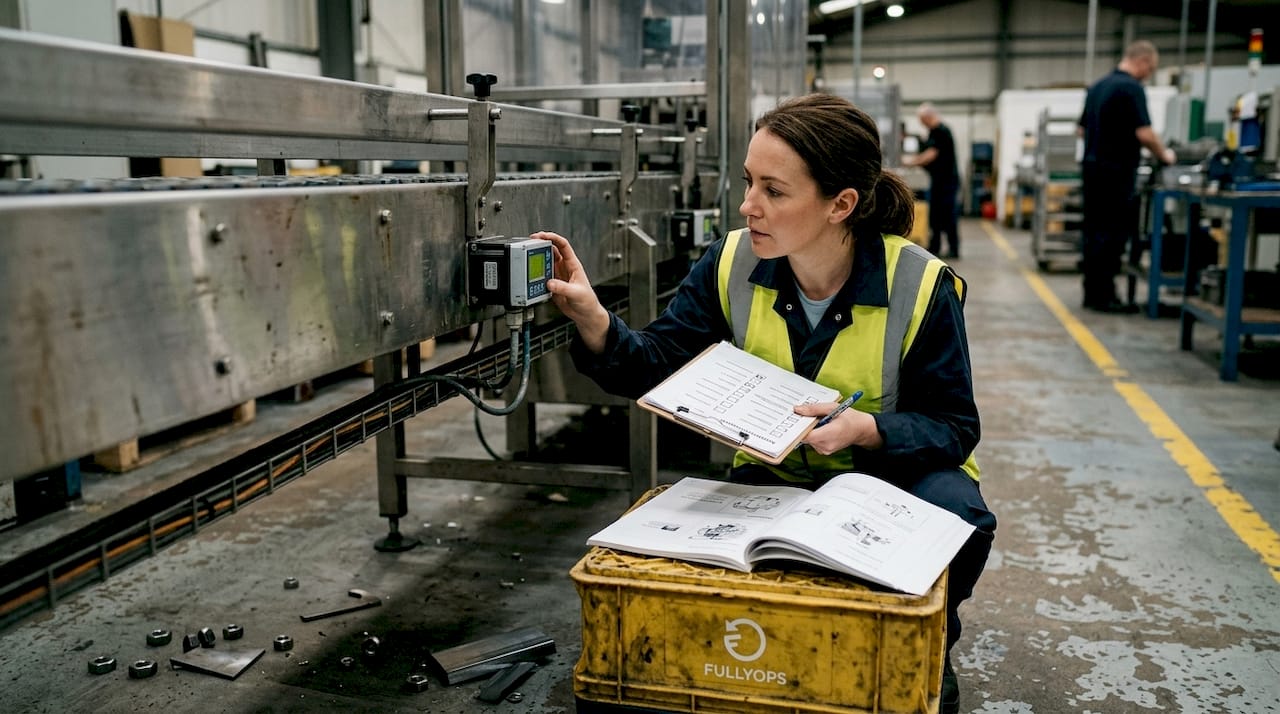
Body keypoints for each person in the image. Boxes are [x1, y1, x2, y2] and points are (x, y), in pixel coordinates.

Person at [537, 93, 996, 714]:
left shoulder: (918, 285)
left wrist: (865, 430)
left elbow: (953, 427)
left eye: (774, 191)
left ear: (841, 205)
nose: (748, 205)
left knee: (956, 509)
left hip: (886, 477)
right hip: (774, 474)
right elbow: (655, 363)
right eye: (750, 182)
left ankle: (927, 642)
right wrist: (595, 318)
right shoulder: (732, 261)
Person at [1078, 39, 1177, 313]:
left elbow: (1081, 130)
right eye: (1151, 68)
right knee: (1112, 235)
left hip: (1092, 172)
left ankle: (1092, 293)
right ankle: (1106, 297)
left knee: (1093, 233)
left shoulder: (1097, 86)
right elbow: (1144, 133)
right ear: (1142, 61)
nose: (1149, 73)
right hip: (1116, 174)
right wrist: (1165, 155)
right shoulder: (1131, 88)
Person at [906, 102, 961, 259]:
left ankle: (953, 248)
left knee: (948, 215)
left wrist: (911, 162)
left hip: (947, 183)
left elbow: (931, 154)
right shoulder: (933, 132)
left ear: (928, 117)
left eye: (922, 120)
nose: (921, 123)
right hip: (938, 181)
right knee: (935, 215)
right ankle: (935, 247)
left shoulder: (941, 131)